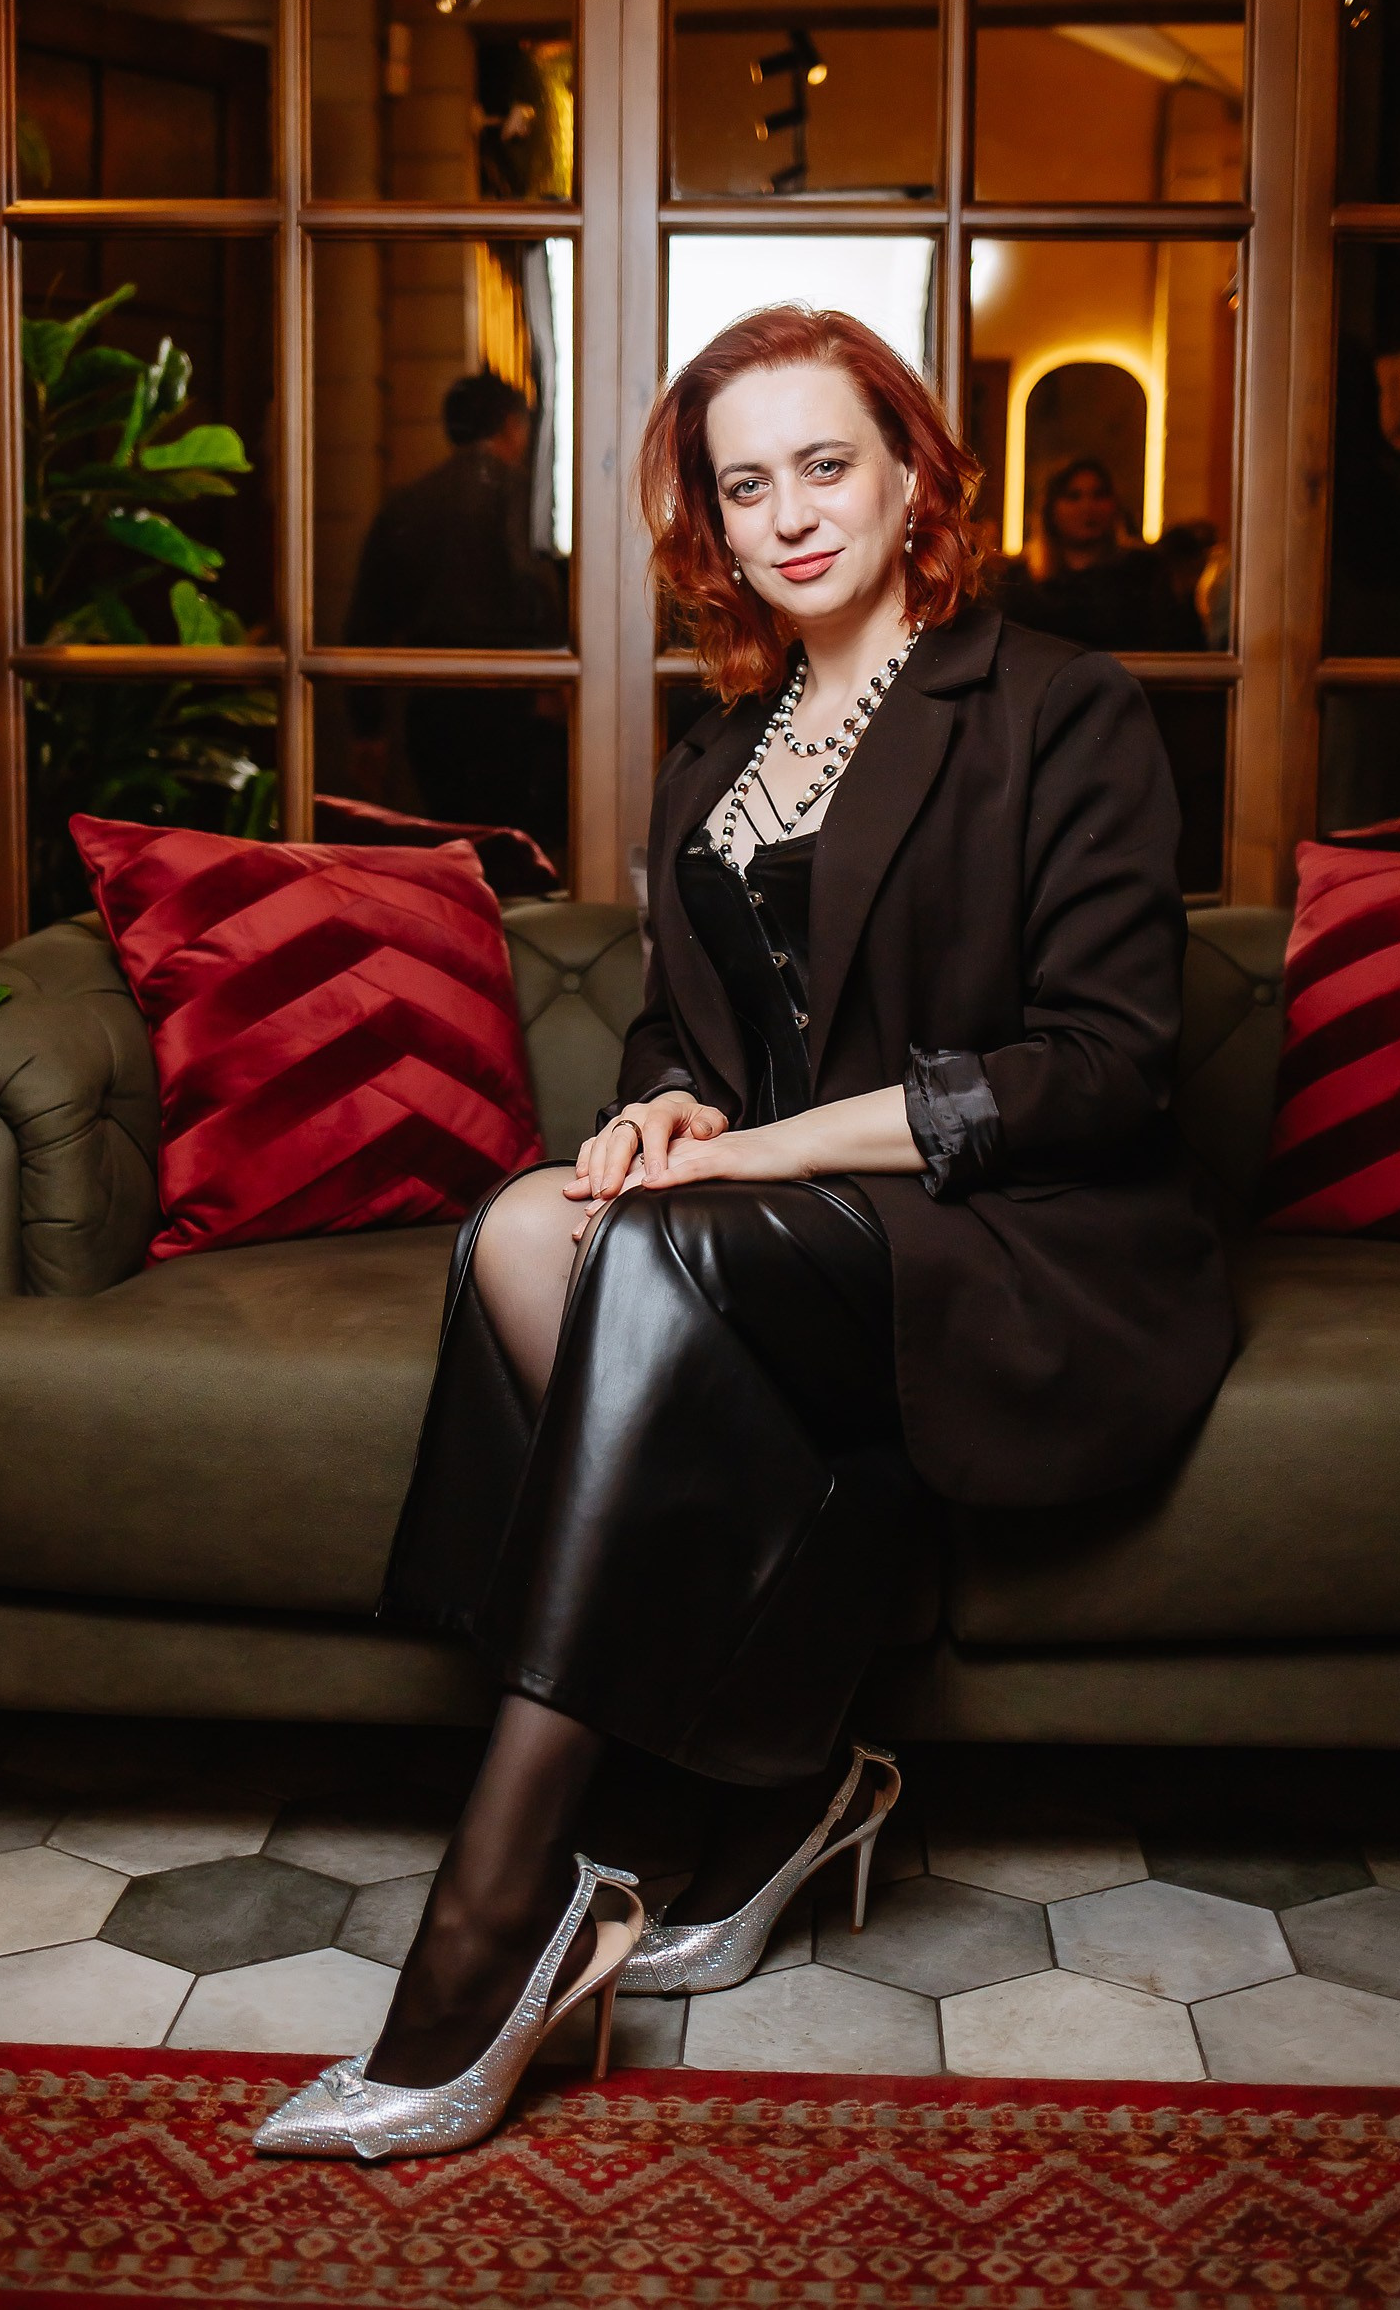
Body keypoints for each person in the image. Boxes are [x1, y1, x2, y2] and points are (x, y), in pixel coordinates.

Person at [257, 306, 1236, 2163]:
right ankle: (787, 1773)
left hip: (1013, 1240)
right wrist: (665, 1115)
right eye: (742, 483)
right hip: (777, 1226)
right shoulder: (717, 753)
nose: (787, 514)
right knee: (526, 1227)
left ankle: (500, 1914)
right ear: (708, 520)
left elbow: (1103, 1067)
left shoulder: (1054, 704)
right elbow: (676, 1033)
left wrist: (756, 1154)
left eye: (824, 464)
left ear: (911, 475)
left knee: (648, 1252)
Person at [340, 369, 567, 849]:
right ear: (512, 426)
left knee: (456, 846)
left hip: (434, 703)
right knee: (522, 853)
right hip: (519, 701)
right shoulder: (527, 503)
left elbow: (367, 622)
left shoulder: (408, 504)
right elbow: (543, 591)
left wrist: (368, 728)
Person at [1002, 457, 1208, 654]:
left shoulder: (1145, 571)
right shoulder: (1020, 581)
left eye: (1099, 495)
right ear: (1050, 509)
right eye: (1073, 496)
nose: (1088, 507)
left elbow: (1178, 644)